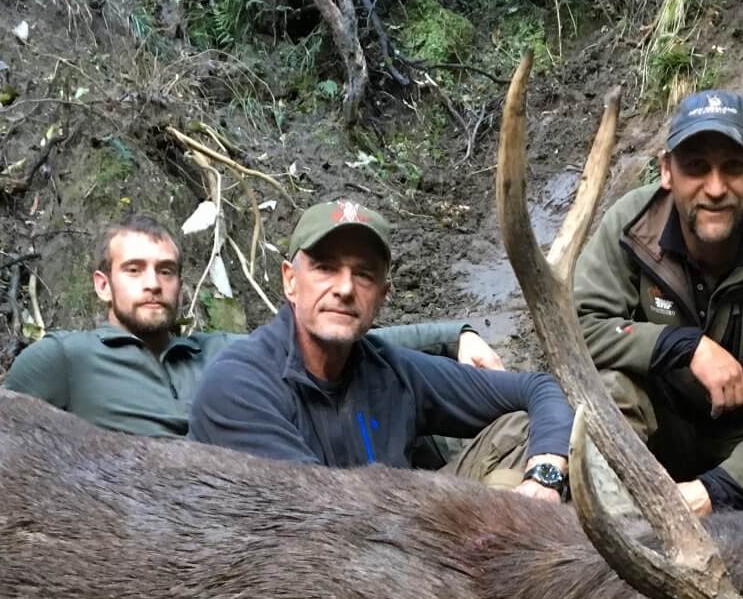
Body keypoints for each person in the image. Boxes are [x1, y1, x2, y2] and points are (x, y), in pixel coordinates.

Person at [573, 88, 743, 535]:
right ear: (667, 171)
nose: (716, 188)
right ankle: (623, 538)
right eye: (696, 167)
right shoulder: (629, 227)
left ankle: (712, 537)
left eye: (734, 168)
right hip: (660, 428)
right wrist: (682, 346)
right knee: (608, 390)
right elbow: (578, 330)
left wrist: (716, 489)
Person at [187, 199, 573, 502]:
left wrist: (545, 475)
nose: (344, 288)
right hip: (298, 571)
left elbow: (536, 389)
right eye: (325, 268)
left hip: (402, 544)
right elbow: (319, 521)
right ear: (290, 280)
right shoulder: (239, 385)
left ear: (383, 295)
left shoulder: (392, 369)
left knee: (523, 428)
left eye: (364, 274)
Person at [4, 215, 505, 440]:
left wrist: (454, 335)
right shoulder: (63, 359)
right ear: (102, 285)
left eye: (167, 271)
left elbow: (334, 336)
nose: (153, 284)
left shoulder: (219, 355)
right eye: (134, 271)